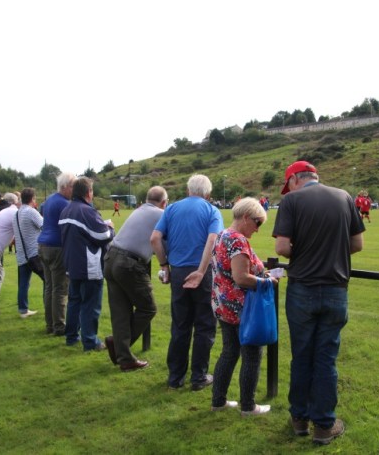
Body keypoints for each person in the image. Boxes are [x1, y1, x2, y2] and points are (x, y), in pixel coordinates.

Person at [273, 160, 365, 445]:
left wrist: (305, 252)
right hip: (336, 288)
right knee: (326, 357)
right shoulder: (344, 196)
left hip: (302, 288)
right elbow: (357, 244)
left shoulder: (291, 202)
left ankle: (299, 419)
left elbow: (282, 247)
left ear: (294, 180)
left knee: (302, 354)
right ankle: (324, 425)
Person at [151, 174, 224, 391]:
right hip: (203, 272)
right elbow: (213, 239)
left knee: (180, 325)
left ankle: (175, 377)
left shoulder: (172, 208)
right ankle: (198, 377)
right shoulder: (212, 211)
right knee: (205, 325)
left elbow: (155, 238)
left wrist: (164, 265)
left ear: (187, 190)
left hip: (178, 272)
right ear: (208, 194)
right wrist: (201, 270)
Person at [210, 197, 277, 415]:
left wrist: (261, 273)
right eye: (258, 223)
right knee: (252, 356)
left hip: (223, 306)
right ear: (246, 217)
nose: (258, 229)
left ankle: (218, 401)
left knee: (229, 352)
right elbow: (241, 277)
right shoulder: (237, 241)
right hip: (242, 310)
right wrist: (267, 282)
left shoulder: (222, 235)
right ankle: (248, 406)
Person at [103, 186, 168, 371]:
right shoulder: (161, 214)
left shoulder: (139, 210)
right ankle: (119, 346)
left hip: (110, 258)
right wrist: (166, 263)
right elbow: (164, 241)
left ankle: (125, 359)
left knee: (120, 312)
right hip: (129, 263)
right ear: (164, 203)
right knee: (148, 308)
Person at [60, 177, 115, 351]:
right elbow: (102, 236)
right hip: (88, 265)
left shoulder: (67, 210)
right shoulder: (86, 211)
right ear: (88, 192)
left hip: (71, 263)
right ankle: (90, 342)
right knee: (90, 305)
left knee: (74, 301)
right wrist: (110, 228)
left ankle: (71, 336)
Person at [37, 173, 76, 336]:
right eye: (73, 186)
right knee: (60, 289)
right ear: (65, 187)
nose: (74, 190)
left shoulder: (50, 200)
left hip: (43, 245)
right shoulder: (65, 204)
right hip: (57, 247)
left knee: (49, 287)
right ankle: (59, 326)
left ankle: (50, 325)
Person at [12, 187, 43, 318]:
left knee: (23, 283)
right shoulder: (31, 212)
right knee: (49, 281)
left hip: (21, 254)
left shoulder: (16, 214)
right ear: (32, 199)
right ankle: (50, 308)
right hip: (34, 253)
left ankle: (23, 310)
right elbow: (44, 226)